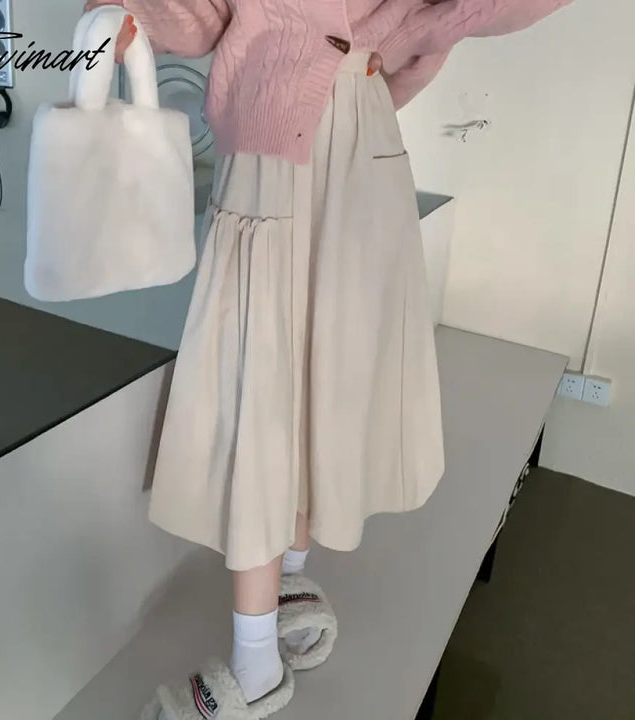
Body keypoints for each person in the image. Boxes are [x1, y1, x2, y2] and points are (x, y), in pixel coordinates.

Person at [81, 2, 575, 718]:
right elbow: (204, 18)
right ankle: (281, 593)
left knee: (283, 378)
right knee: (292, 372)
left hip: (325, 136)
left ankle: (258, 657)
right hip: (319, 134)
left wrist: (415, 31)